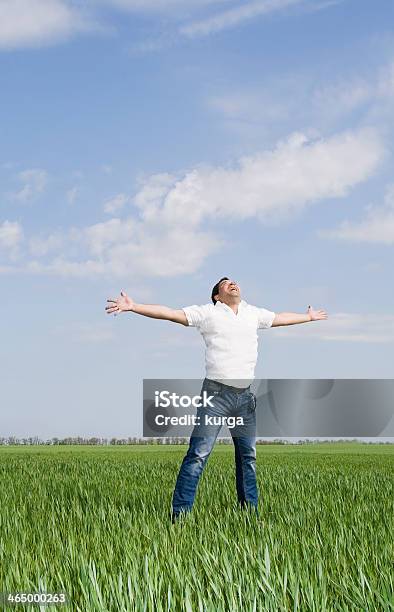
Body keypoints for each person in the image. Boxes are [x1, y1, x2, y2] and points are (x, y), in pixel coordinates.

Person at [105, 277, 328, 521]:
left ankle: (249, 516)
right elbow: (169, 313)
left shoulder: (252, 313)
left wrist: (308, 317)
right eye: (225, 283)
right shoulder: (208, 313)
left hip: (245, 399)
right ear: (217, 296)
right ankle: (179, 517)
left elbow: (280, 318)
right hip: (216, 396)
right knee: (198, 455)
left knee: (248, 458)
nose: (233, 284)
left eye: (234, 281)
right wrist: (134, 306)